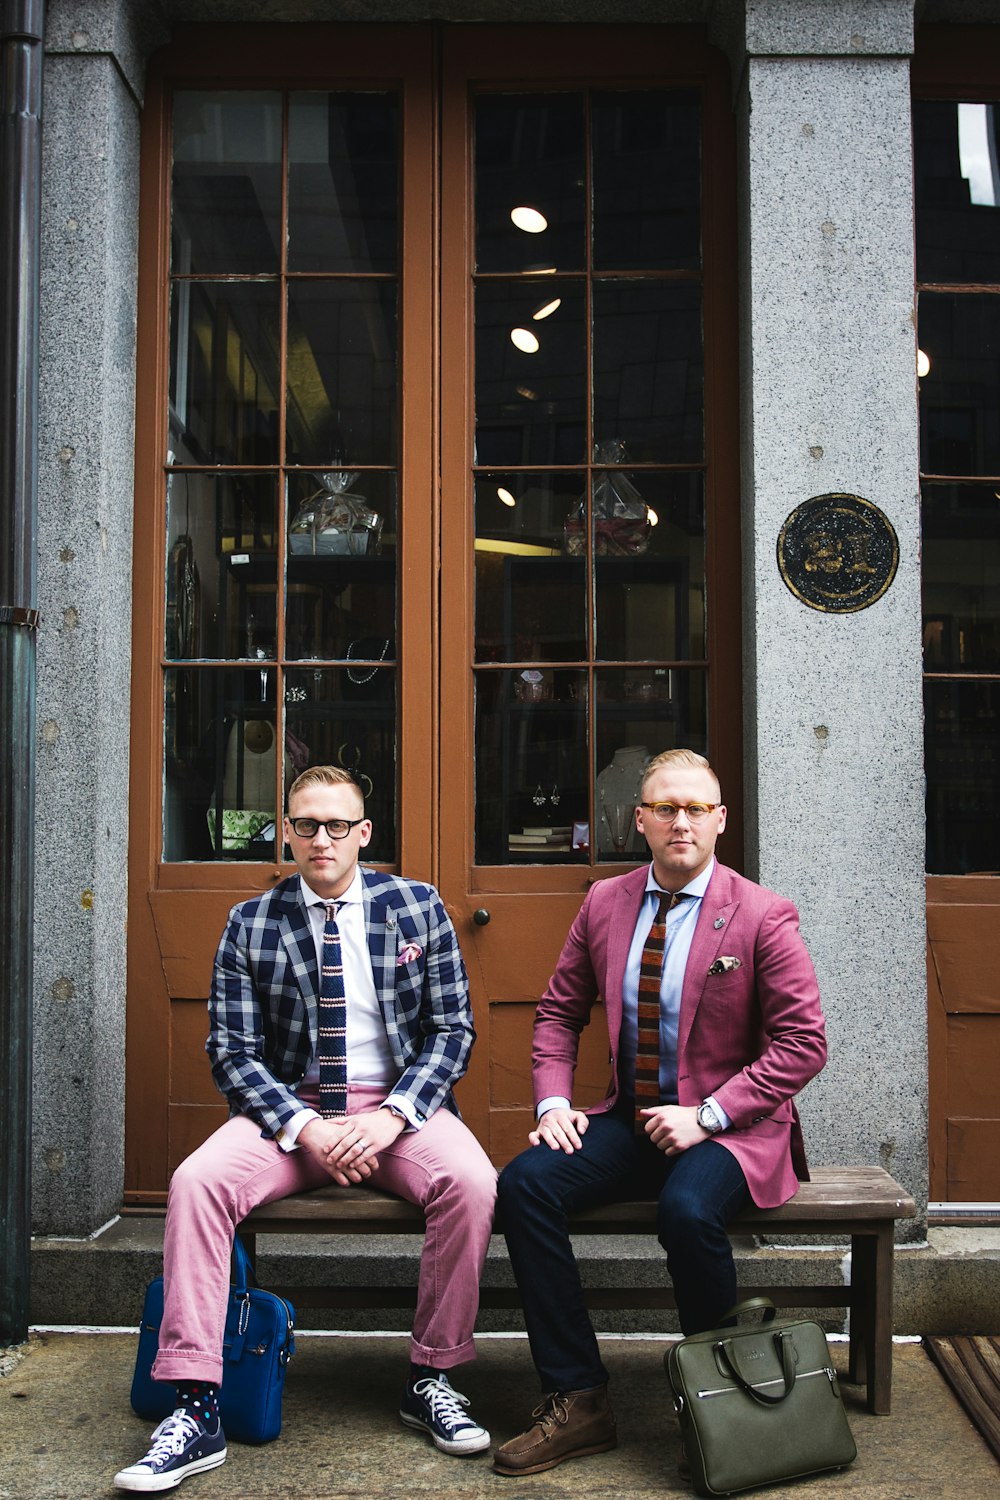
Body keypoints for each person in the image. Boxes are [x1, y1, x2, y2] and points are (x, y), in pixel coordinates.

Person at [115, 765, 497, 1492]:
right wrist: (303, 1126)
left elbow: (453, 1033)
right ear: (285, 831)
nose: (322, 840)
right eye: (306, 825)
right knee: (196, 1183)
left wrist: (390, 1118)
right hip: (288, 1112)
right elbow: (231, 1052)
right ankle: (197, 1405)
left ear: (365, 833)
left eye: (338, 826)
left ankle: (433, 1375)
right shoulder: (250, 923)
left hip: (396, 1109)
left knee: (473, 1182)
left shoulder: (417, 908)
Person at [493, 748, 827, 1477]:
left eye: (697, 808)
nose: (682, 821)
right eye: (666, 808)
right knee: (524, 1186)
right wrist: (552, 1103)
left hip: (733, 1131)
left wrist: (708, 1116)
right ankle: (578, 1396)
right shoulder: (604, 903)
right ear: (638, 819)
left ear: (720, 821)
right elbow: (556, 1014)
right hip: (634, 1115)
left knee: (686, 1210)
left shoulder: (762, 914)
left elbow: (804, 1044)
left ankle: (725, 1406)